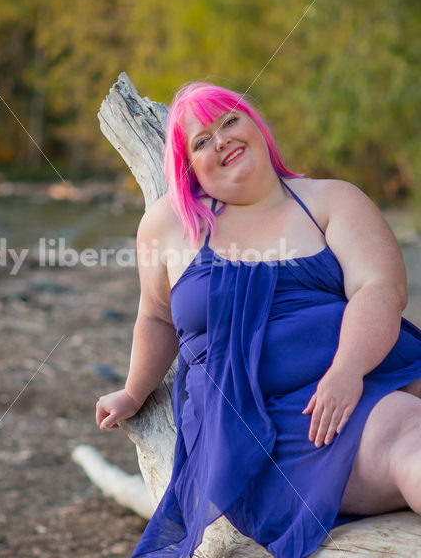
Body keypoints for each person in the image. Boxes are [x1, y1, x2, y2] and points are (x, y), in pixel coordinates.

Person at [94, 81, 421, 558]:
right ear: (188, 167)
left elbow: (380, 290)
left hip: (370, 368)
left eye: (230, 122)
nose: (221, 140)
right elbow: (156, 317)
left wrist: (347, 370)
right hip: (263, 423)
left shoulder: (331, 200)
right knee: (404, 427)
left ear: (258, 128)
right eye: (202, 141)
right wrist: (133, 391)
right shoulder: (169, 226)